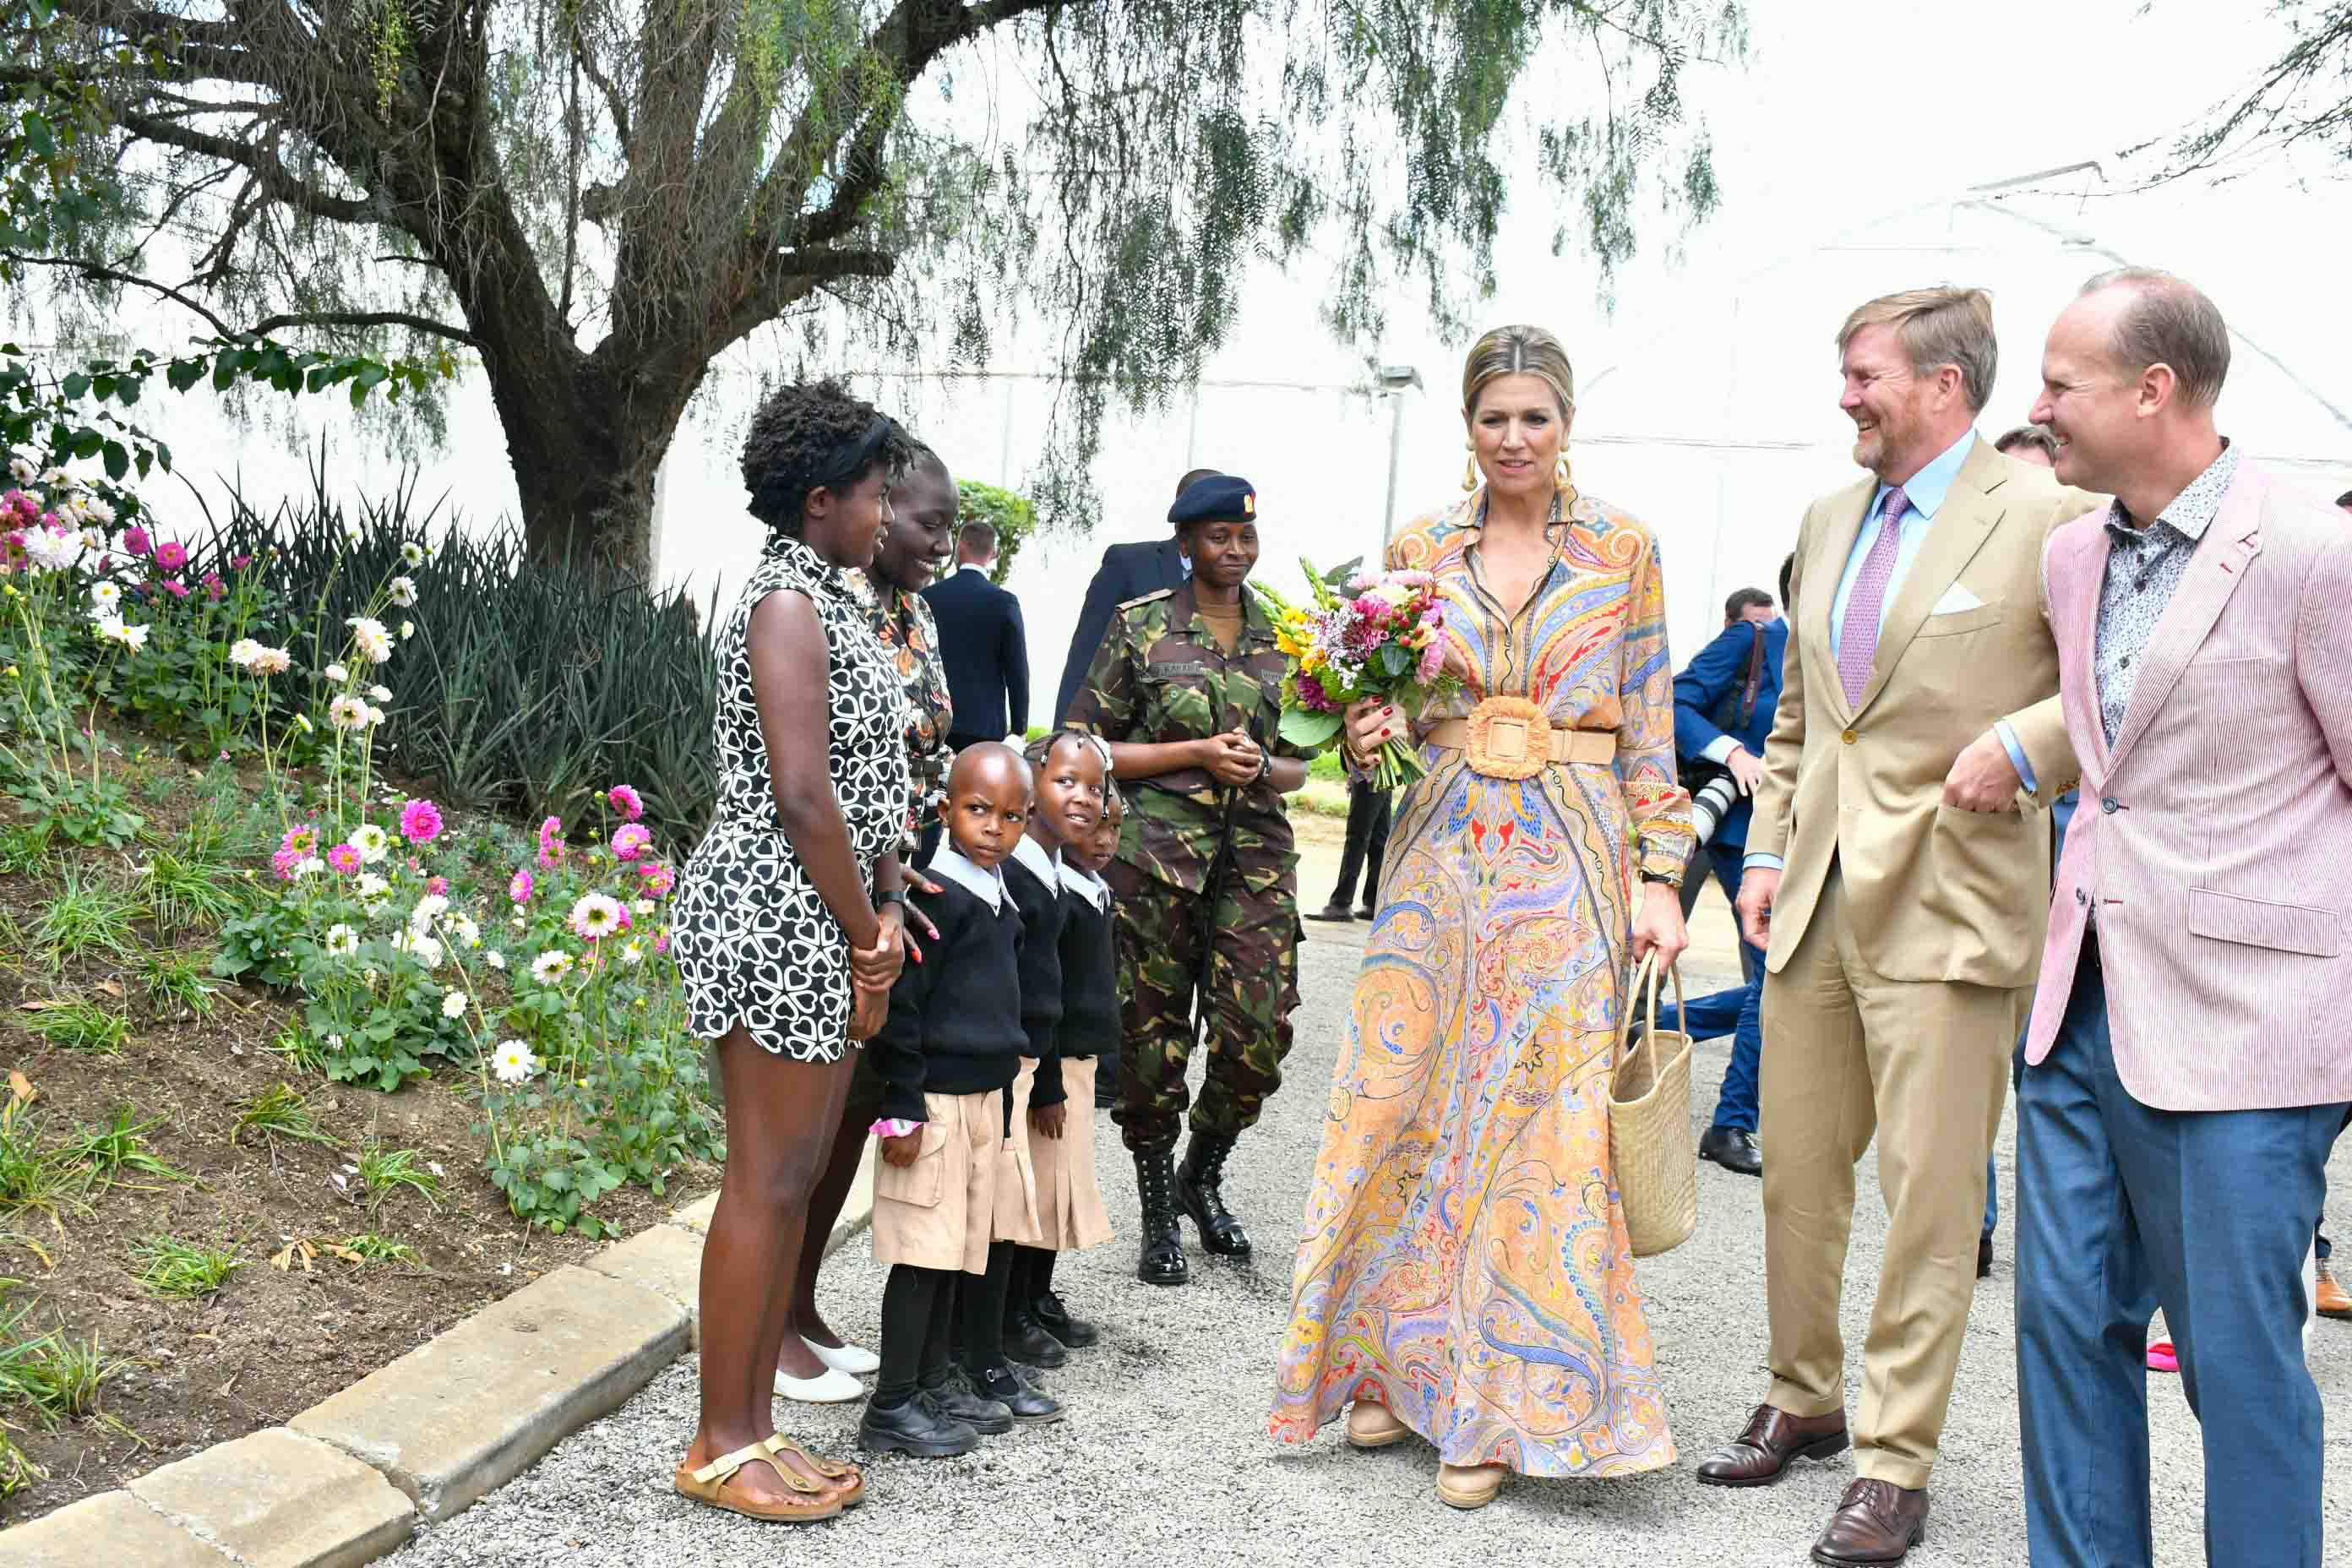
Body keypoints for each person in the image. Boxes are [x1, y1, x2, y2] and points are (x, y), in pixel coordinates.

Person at [1270, 324, 1693, 1511]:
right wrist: (1366, 733)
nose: (1514, 439)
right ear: (1469, 426)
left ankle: (1503, 1408)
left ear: (1566, 426)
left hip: (1569, 864)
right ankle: (1394, 1370)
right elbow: (1386, 710)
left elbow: (1651, 729)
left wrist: (1659, 873)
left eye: (1535, 418)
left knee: (1538, 1133)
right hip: (1437, 858)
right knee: (1405, 1105)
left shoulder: (1625, 549)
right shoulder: (1419, 548)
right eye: (1494, 418)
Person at [1707, 287, 2096, 1567]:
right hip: (1812, 896)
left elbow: (2116, 684)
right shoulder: (1827, 521)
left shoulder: (2049, 518)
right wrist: (1763, 854)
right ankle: (1804, 1398)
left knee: (1929, 1201)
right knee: (1797, 1177)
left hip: (1957, 906)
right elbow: (1802, 725)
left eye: (1864, 374)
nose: (1845, 397)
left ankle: (1895, 1464)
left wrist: (2025, 746)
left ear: (1942, 386)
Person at [2012, 268, 2352, 1568]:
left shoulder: (2313, 551)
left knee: (2236, 1364)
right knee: (2064, 1337)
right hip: (2079, 1010)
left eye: (2060, 383)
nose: (2037, 406)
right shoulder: (2068, 553)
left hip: (2248, 1038)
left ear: (2155, 391)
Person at [667, 380, 917, 1523]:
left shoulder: (829, 596)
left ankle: (755, 1427)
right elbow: (804, 794)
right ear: (821, 500)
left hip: (820, 916)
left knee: (799, 1175)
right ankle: (721, 1444)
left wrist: (878, 906)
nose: (888, 508)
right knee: (765, 1183)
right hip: (779, 915)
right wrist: (868, 936)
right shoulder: (784, 604)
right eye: (874, 490)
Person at [1067, 474, 1311, 1288]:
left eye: (1245, 536)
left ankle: (1200, 1170)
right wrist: (1195, 755)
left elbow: (1298, 767)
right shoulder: (1140, 629)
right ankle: (1155, 1207)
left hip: (1256, 862)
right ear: (1186, 543)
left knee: (1258, 1037)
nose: (1234, 550)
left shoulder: (1291, 637)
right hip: (1157, 859)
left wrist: (1262, 768)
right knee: (1151, 1037)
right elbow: (1083, 745)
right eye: (1217, 537)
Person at [785, 447, 961, 1396]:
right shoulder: (822, 610)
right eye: (928, 522)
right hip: (837, 896)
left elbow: (924, 754)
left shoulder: (917, 611)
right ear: (878, 509)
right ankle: (771, 1323)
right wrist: (880, 898)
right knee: (807, 1129)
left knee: (857, 1109)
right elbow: (822, 779)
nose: (943, 541)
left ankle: (803, 1305)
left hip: (905, 888)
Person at [858, 744, 1034, 1458]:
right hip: (930, 1104)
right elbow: (901, 1008)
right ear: (944, 810)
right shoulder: (935, 899)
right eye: (978, 810)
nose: (994, 827)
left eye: (1012, 816)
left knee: (956, 1249)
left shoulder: (999, 893)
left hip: (980, 1099)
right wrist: (901, 1104)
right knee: (922, 1255)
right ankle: (892, 1403)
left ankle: (931, 1382)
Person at [1654, 584, 1788, 1179]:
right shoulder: (1754, 642)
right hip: (1741, 829)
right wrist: (1733, 752)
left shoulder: (1855, 658)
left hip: (1817, 834)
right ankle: (1732, 1123)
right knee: (1774, 976)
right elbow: (1676, 701)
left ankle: (1650, 1027)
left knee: (1789, 980)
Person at [1004, 732, 1116, 1358]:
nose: (1083, 800)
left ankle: (1031, 1302)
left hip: (1067, 1061)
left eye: (1094, 789)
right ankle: (1007, 1318)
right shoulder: (1030, 878)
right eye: (1066, 782)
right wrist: (1046, 1079)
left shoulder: (1066, 877)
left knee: (1053, 1194)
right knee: (1030, 1199)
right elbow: (1038, 991)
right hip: (1037, 1065)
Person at [1053, 469, 1220, 726]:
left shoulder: (1235, 586)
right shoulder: (1129, 565)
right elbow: (1086, 656)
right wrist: (1064, 738)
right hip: (1131, 741)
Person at [924, 520, 1029, 754]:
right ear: (993, 554)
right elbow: (1017, 670)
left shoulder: (928, 598)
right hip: (985, 726)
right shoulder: (1004, 602)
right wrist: (1019, 727)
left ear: (960, 547)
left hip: (936, 722)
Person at [1304, 776, 1391, 923]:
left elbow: (1363, 753)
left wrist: (1355, 773)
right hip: (1382, 774)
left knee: (1357, 837)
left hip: (1369, 771)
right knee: (1379, 838)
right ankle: (1373, 902)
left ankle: (1341, 903)